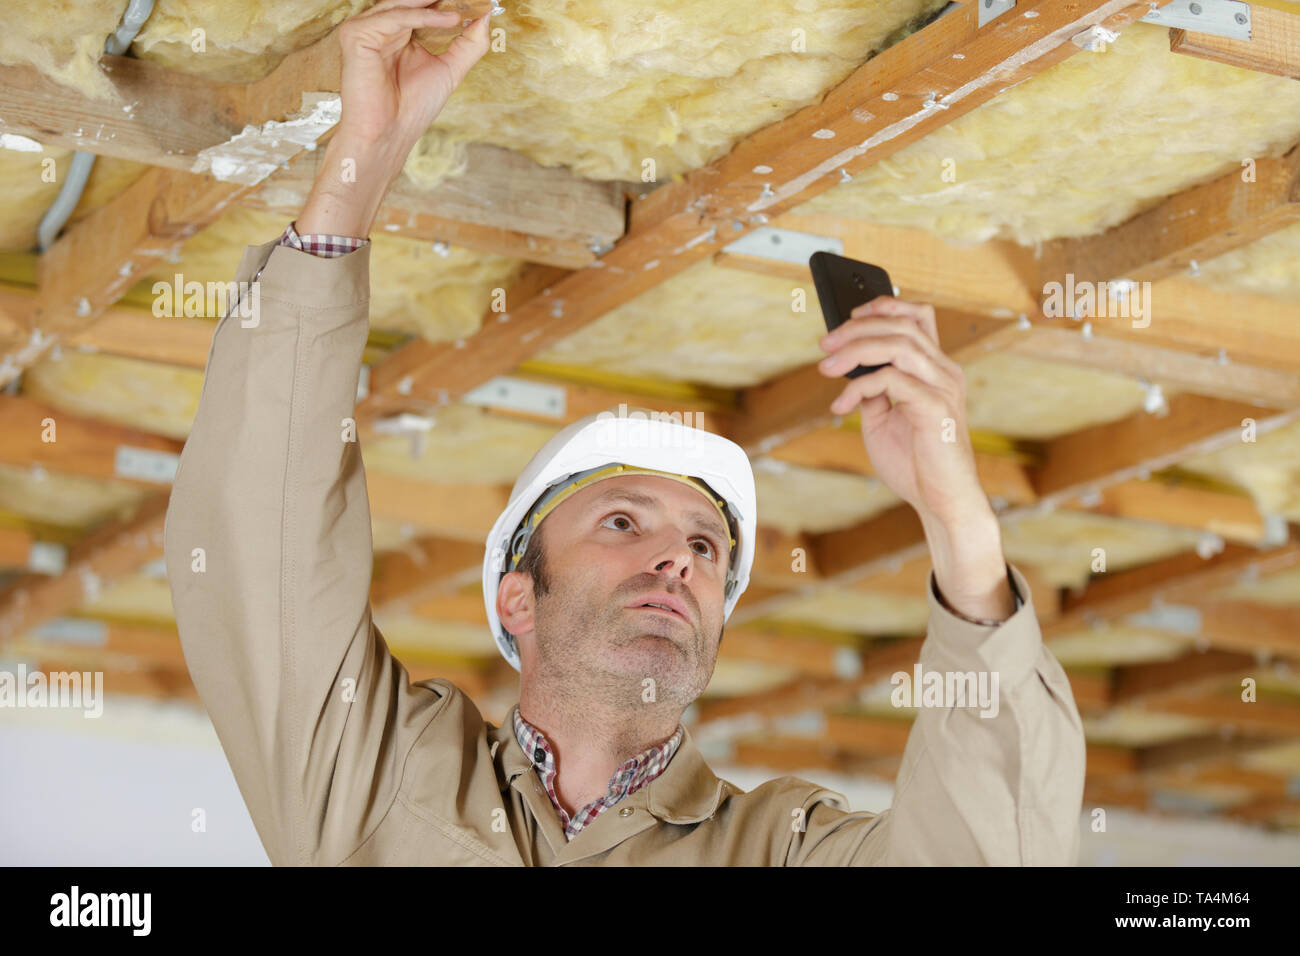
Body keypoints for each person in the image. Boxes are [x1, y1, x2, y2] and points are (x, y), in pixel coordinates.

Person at [163, 0, 1085, 866]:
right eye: (621, 522)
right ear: (517, 600)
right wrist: (366, 152)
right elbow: (258, 546)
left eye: (704, 546)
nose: (679, 561)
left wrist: (958, 517)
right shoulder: (382, 783)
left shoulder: (778, 848)